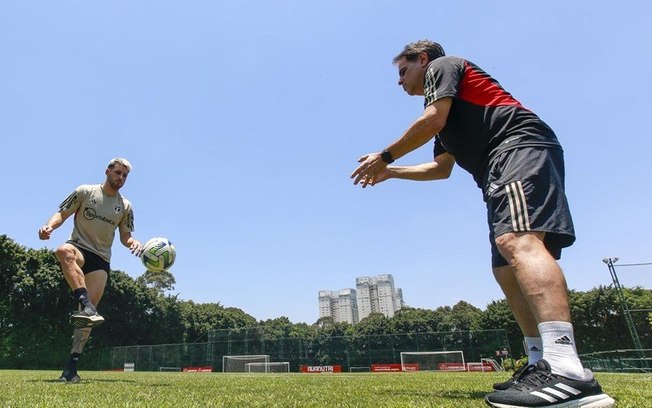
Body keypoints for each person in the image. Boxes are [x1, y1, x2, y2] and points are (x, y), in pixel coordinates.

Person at [351, 40, 614, 408]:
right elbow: (440, 170)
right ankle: (540, 362)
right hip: (498, 166)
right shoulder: (446, 124)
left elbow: (432, 120)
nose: (399, 82)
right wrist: (391, 172)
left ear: (422, 59)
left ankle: (567, 368)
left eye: (402, 71)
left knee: (517, 240)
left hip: (517, 148)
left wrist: (384, 155)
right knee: (504, 267)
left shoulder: (443, 68)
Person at [38, 158, 142, 383]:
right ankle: (86, 304)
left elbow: (125, 236)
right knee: (63, 251)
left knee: (85, 321)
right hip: (79, 247)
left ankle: (71, 368)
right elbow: (62, 213)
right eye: (117, 173)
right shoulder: (85, 191)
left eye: (125, 176)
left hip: (101, 260)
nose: (120, 178)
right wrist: (49, 227)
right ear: (107, 171)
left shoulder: (125, 206)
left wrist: (133, 242)